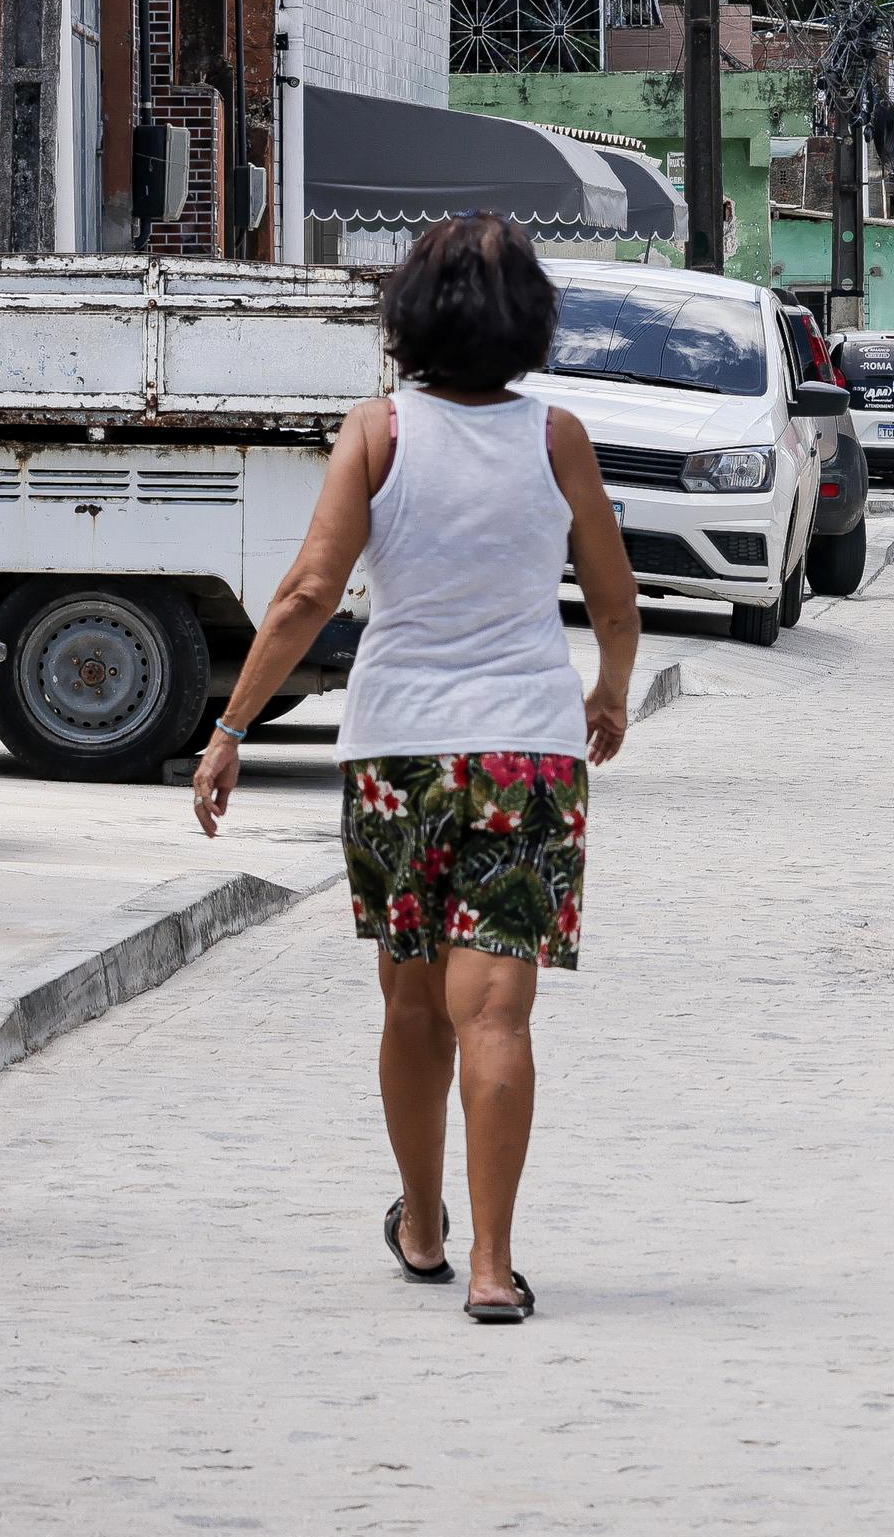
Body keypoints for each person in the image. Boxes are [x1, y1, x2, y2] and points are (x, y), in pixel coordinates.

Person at [192, 214, 640, 1321]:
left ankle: (424, 1224)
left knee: (410, 1007)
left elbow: (305, 595)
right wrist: (610, 688)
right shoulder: (557, 439)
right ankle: (491, 1267)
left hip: (397, 752)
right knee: (496, 1014)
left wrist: (233, 725)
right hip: (527, 753)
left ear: (410, 315)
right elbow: (616, 592)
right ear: (530, 319)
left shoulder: (376, 433)